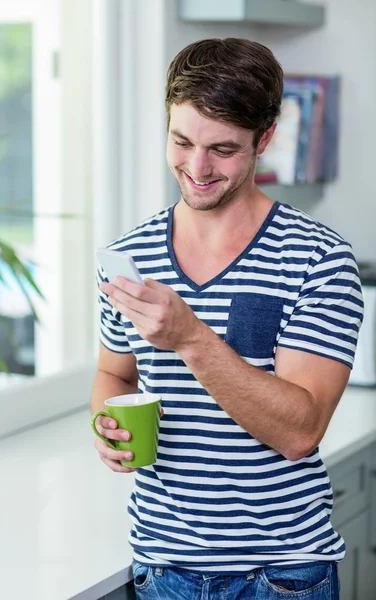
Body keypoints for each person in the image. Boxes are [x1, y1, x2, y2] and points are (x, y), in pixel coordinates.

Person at [91, 37, 363, 599]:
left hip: (284, 576)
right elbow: (114, 374)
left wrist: (190, 337)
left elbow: (299, 431)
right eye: (181, 140)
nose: (197, 167)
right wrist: (107, 426)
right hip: (164, 570)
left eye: (223, 148)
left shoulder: (317, 259)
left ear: (265, 139)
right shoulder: (130, 258)